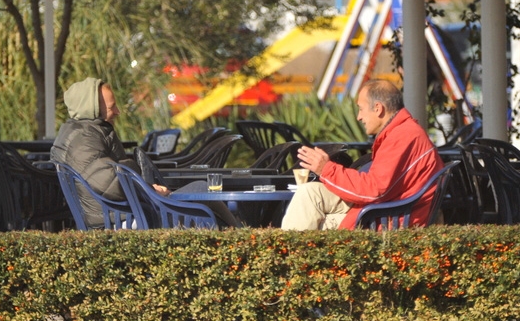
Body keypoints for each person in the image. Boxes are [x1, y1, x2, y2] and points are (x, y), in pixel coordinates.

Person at [51, 77, 240, 228]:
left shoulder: (83, 132)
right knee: (201, 190)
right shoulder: (84, 138)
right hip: (123, 218)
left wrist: (146, 185)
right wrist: (147, 187)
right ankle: (241, 240)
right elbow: (108, 183)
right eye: (111, 107)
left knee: (201, 190)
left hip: (127, 212)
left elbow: (109, 177)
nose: (117, 111)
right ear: (91, 108)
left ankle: (238, 238)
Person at [281, 79, 444, 230]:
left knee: (308, 219)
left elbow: (373, 190)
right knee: (309, 192)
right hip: (385, 209)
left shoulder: (402, 136)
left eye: (361, 109)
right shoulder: (404, 132)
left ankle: (288, 251)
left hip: (387, 218)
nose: (359, 117)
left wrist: (326, 169)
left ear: (378, 108)